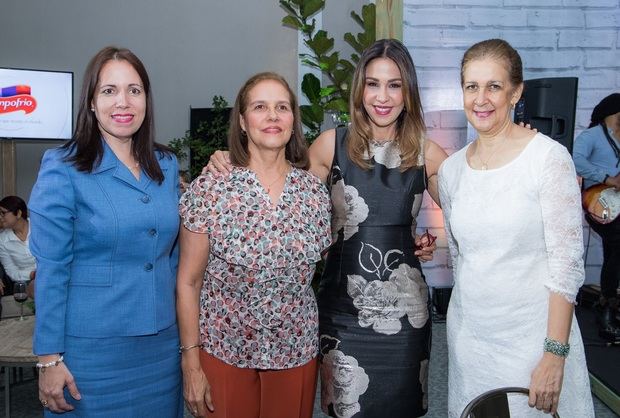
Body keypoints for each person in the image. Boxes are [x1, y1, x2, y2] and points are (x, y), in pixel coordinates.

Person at [207, 39, 446, 417]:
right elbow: (277, 190)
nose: (382, 96)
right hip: (342, 313)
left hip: (404, 317)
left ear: (408, 92)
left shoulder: (427, 153)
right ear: (359, 89)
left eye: (394, 84)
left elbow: (475, 213)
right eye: (372, 83)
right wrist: (229, 158)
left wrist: (434, 239)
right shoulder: (330, 146)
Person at [438, 38, 594, 417]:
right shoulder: (451, 170)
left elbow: (567, 267)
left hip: (533, 343)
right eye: (471, 86)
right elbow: (461, 258)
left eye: (494, 86)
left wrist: (554, 355)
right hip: (470, 343)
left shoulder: (547, 159)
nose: (481, 98)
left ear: (516, 91)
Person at [28, 46, 183, 416]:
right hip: (90, 353)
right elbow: (52, 268)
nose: (123, 102)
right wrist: (48, 358)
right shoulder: (63, 167)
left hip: (162, 347)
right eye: (109, 91)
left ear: (146, 99)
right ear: (92, 103)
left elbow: (174, 256)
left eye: (134, 89)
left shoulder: (166, 165)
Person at [177, 72, 331, 418]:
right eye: (260, 107)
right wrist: (191, 361)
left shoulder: (314, 194)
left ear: (293, 119)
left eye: (282, 107)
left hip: (295, 350)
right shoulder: (212, 187)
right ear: (243, 121)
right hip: (223, 348)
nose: (273, 116)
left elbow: (325, 261)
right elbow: (189, 282)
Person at [572, 93, 620, 341]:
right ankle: (607, 303)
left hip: (618, 204)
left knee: (615, 250)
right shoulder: (591, 136)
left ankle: (609, 302)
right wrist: (606, 177)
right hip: (597, 200)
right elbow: (576, 160)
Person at [0, 196, 36, 285]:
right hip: (25, 283)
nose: (0, 217)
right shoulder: (2, 240)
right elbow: (11, 271)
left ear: (19, 213)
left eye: (3, 213)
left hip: (51, 275)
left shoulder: (40, 228)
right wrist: (31, 275)